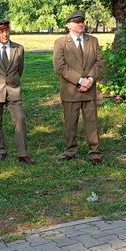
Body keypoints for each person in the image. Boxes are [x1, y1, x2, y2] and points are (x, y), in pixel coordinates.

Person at [53, 11, 104, 165]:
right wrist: (80, 80)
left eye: (82, 21)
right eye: (77, 22)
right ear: (68, 25)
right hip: (71, 90)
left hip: (90, 89)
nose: (81, 24)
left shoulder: (93, 41)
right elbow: (60, 66)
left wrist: (89, 79)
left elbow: (100, 62)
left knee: (92, 122)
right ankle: (70, 150)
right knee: (70, 123)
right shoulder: (60, 42)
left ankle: (94, 152)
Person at [0, 19, 35, 164]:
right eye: (1, 31)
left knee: (20, 119)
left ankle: (23, 153)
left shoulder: (19, 48)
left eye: (6, 30)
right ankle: (1, 150)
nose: (5, 34)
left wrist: (12, 82)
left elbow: (20, 69)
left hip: (13, 90)